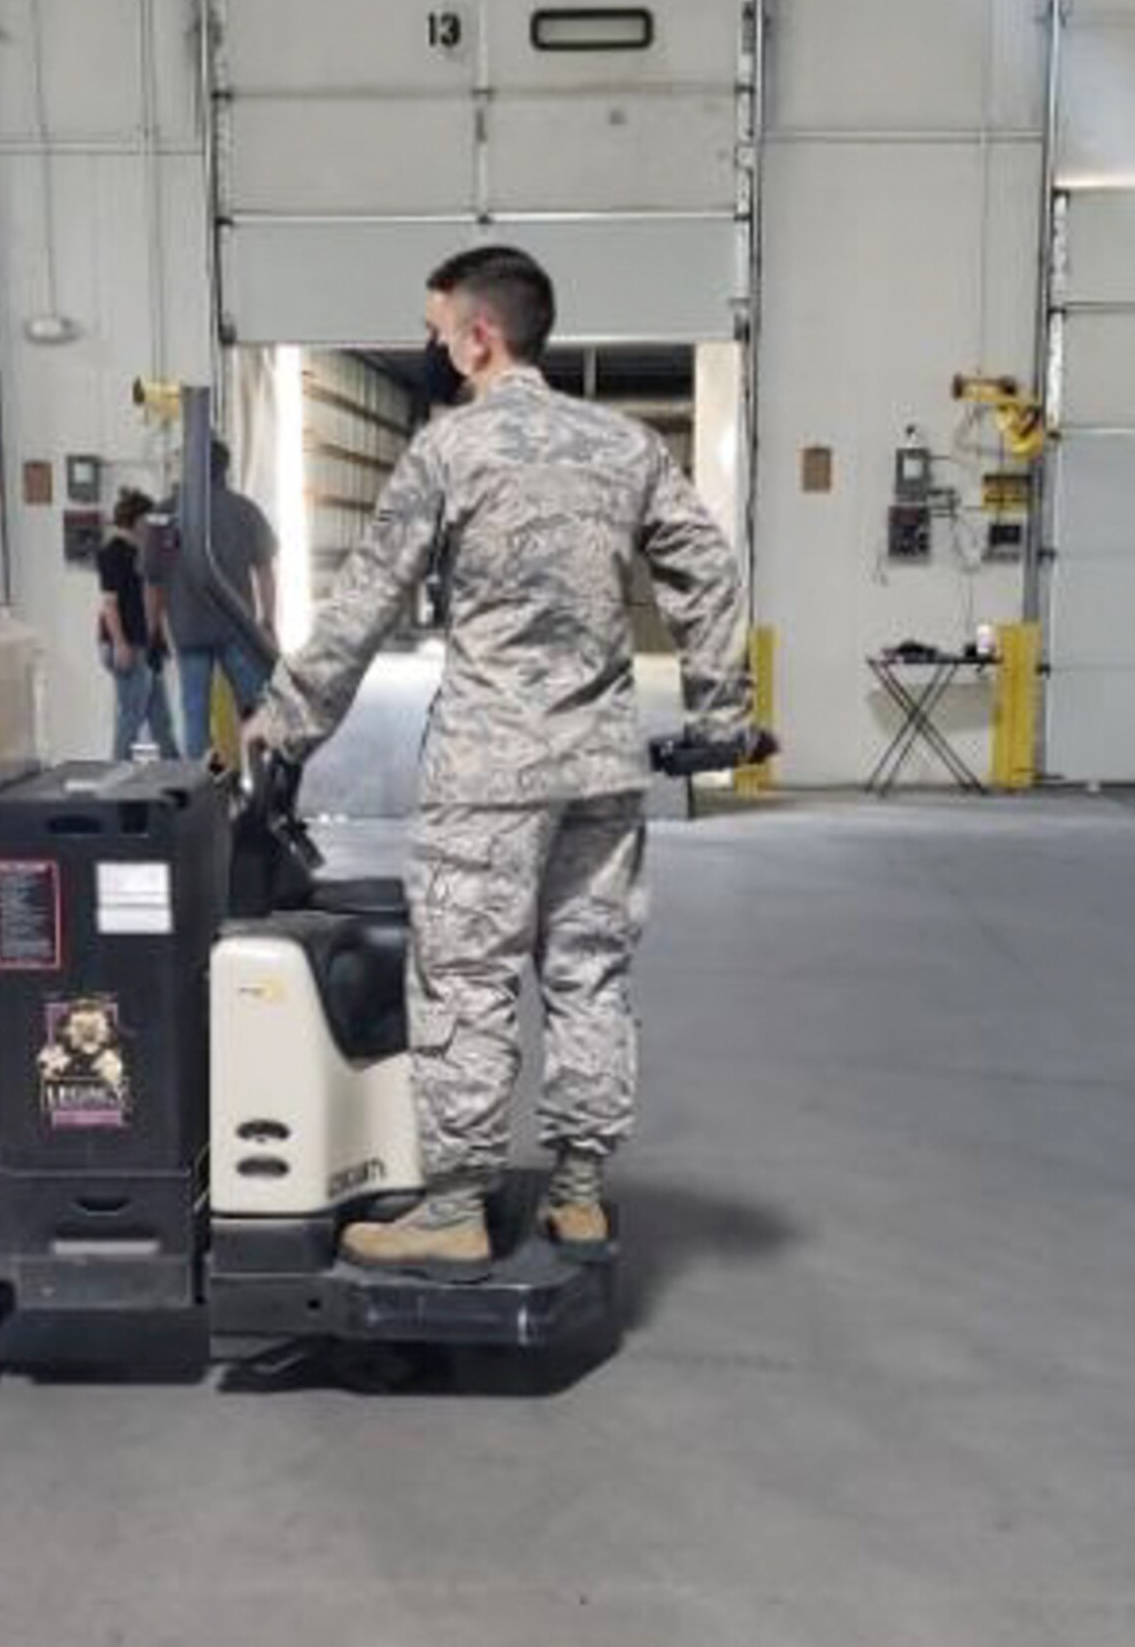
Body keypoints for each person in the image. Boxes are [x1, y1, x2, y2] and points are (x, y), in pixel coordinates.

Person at [242, 246, 768, 1277]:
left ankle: (454, 1206)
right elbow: (705, 566)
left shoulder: (451, 450)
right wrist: (716, 708)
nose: (434, 347)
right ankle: (576, 1194)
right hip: (602, 768)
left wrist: (285, 721)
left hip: (488, 775)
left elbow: (366, 599)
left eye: (438, 329)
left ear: (478, 334)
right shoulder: (619, 444)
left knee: (466, 978)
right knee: (586, 978)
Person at [144, 440, 280, 759]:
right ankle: (261, 783)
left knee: (196, 722)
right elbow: (265, 572)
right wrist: (268, 622)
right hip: (238, 630)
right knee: (256, 710)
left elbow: (152, 580)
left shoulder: (163, 515)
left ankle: (207, 790)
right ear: (226, 468)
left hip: (188, 629)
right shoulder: (244, 510)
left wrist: (154, 632)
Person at [96, 489, 180, 760]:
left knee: (161, 720)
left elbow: (154, 600)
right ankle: (114, 783)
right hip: (127, 644)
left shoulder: (140, 552)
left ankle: (177, 775)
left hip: (145, 644)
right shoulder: (113, 553)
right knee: (130, 718)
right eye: (148, 521)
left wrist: (160, 640)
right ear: (136, 520)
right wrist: (120, 644)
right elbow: (110, 603)